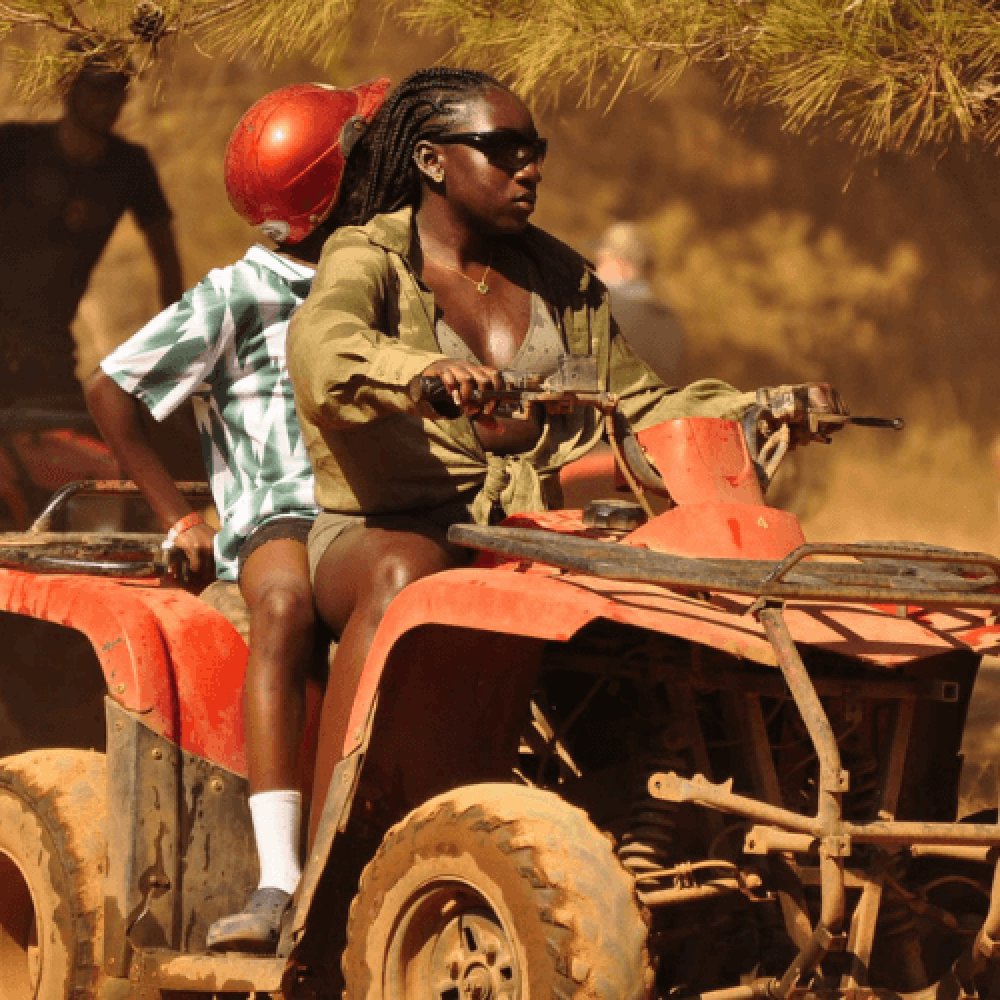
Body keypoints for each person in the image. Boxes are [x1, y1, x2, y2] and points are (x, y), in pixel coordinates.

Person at [286, 67, 848, 835]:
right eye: (503, 149)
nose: (530, 168)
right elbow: (324, 355)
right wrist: (420, 372)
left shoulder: (563, 279)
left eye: (535, 149)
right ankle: (338, 846)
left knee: (663, 613)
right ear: (431, 161)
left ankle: (662, 823)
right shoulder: (369, 257)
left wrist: (760, 408)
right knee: (406, 573)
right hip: (391, 525)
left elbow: (640, 403)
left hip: (534, 535)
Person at [85, 78, 391, 954]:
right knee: (285, 605)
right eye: (363, 164)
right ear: (331, 194)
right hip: (279, 513)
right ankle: (279, 876)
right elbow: (111, 390)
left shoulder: (387, 280)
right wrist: (180, 515)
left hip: (369, 512)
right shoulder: (240, 294)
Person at [0, 41, 182, 412]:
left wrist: (177, 348)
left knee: (64, 436)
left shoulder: (130, 167)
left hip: (49, 346)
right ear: (67, 87)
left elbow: (166, 257)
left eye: (119, 88)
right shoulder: (13, 147)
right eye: (98, 88)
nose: (110, 101)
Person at [594, 220, 686, 384]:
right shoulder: (670, 320)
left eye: (601, 261)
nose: (596, 269)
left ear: (620, 265)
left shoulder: (602, 308)